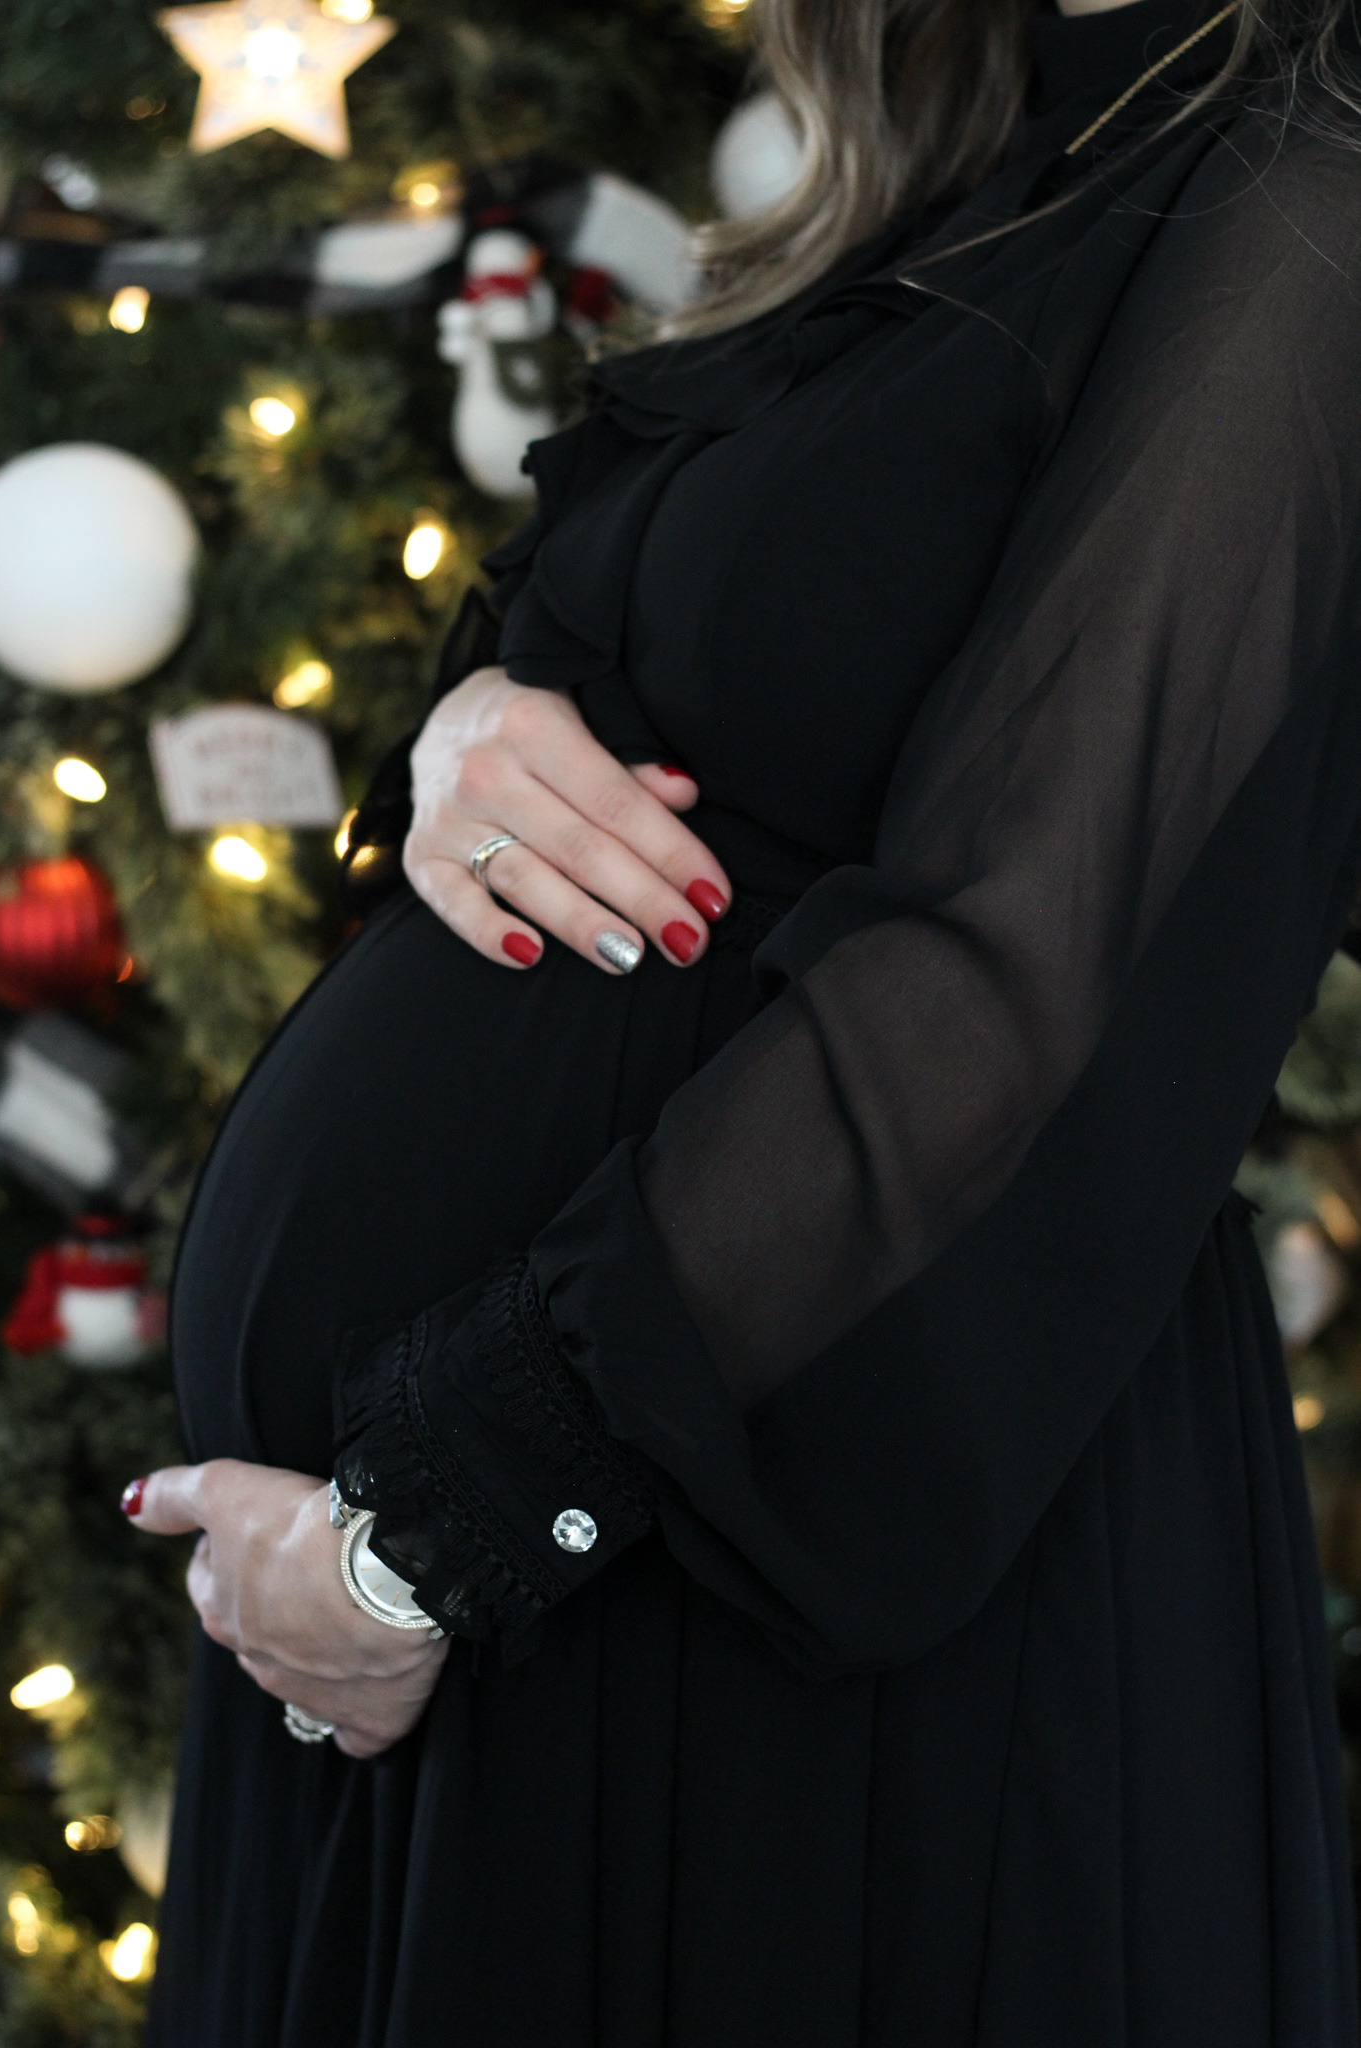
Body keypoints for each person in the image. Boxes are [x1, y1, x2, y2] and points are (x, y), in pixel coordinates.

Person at [131, 0, 1361, 2036]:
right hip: (512, 1560)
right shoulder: (968, 143)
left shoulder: (1311, 180)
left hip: (740, 1542)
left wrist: (430, 1526)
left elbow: (1029, 970)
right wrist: (466, 730)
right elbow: (676, 654)